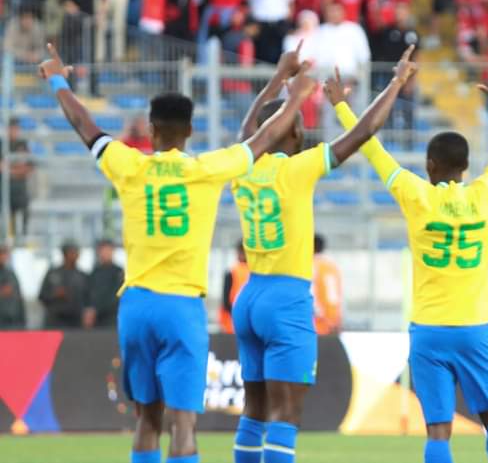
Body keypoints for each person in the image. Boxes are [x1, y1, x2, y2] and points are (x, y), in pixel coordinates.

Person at [38, 42, 314, 463]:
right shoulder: (206, 170)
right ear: (189, 132)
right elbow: (262, 138)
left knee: (146, 419)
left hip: (136, 304)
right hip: (181, 307)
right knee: (182, 423)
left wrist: (58, 78)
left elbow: (84, 123)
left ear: (150, 130)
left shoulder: (129, 165)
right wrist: (294, 94)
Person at [230, 45, 417, 463]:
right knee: (286, 415)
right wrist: (397, 82)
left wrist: (279, 78)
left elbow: (248, 130)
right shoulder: (298, 169)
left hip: (250, 296)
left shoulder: (242, 168)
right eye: (298, 125)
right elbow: (363, 132)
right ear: (291, 136)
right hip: (286, 300)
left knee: (254, 411)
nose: (303, 131)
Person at [336, 60, 488, 463]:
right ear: (467, 167)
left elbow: (371, 146)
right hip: (475, 327)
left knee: (438, 430)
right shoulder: (486, 194)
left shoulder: (415, 194)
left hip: (429, 330)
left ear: (430, 166)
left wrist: (342, 108)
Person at [38, 240, 88, 329]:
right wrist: (54, 294)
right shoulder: (53, 273)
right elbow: (41, 296)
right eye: (72, 252)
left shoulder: (83, 276)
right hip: (55, 322)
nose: (75, 255)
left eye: (77, 252)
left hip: (76, 323)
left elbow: (88, 300)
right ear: (64, 254)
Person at [1, 117, 34, 239]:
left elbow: (29, 167)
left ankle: (21, 239)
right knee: (5, 217)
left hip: (20, 189)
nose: (14, 131)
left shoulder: (23, 144)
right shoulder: (2, 144)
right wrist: (16, 170)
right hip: (4, 189)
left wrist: (11, 170)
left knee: (23, 215)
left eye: (16, 128)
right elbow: (2, 167)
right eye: (11, 128)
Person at [83, 239, 124, 329]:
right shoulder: (95, 272)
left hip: (113, 318)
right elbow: (88, 294)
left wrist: (96, 310)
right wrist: (89, 310)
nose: (105, 253)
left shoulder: (119, 272)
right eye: (103, 250)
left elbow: (117, 295)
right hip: (96, 321)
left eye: (108, 250)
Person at [311, 235, 342, 335]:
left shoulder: (311, 266)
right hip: (333, 319)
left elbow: (311, 292)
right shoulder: (332, 266)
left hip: (317, 321)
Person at [219, 240, 250, 335]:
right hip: (249, 325)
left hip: (231, 325)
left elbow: (226, 302)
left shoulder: (232, 272)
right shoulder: (258, 274)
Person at [0, 245, 26, 329]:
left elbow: (18, 299)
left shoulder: (10, 274)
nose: (3, 256)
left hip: (12, 322)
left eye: (4, 253)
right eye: (1, 253)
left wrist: (22, 321)